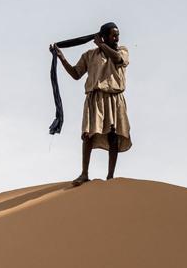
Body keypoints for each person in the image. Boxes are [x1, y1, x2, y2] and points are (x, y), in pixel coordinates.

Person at [50, 23, 131, 185]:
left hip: (114, 98)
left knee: (113, 135)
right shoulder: (89, 55)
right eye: (113, 35)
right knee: (88, 135)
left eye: (117, 35)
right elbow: (75, 74)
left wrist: (101, 44)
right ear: (104, 36)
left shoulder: (122, 50)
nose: (116, 39)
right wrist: (61, 57)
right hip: (95, 98)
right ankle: (84, 173)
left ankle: (110, 176)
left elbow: (118, 59)